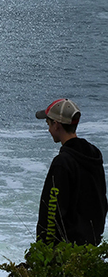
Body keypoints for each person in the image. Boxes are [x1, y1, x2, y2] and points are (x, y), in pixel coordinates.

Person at [35, 98, 107, 245]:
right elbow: (101, 199)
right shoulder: (93, 155)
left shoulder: (62, 163)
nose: (48, 129)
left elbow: (51, 211)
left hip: (66, 249)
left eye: (48, 124)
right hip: (90, 245)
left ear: (56, 125)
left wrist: (44, 249)